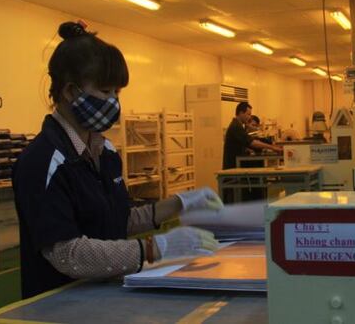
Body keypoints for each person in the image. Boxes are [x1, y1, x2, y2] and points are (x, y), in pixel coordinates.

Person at [12, 21, 222, 299]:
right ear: (70, 91)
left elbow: (115, 220)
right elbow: (66, 253)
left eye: (117, 93)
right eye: (105, 91)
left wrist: (177, 204)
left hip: (106, 293)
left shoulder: (106, 152)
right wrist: (152, 249)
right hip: (59, 303)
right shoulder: (43, 161)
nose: (113, 102)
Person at [222, 102, 282, 170]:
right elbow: (252, 142)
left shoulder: (239, 125)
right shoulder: (236, 126)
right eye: (248, 114)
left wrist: (272, 144)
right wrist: (273, 148)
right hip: (232, 167)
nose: (249, 117)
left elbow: (250, 140)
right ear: (241, 113)